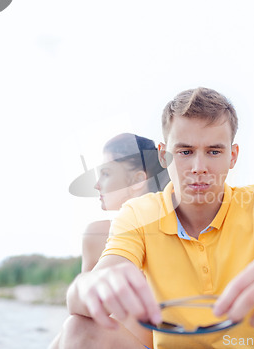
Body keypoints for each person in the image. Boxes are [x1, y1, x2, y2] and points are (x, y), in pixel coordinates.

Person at [58, 88, 254, 349]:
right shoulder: (138, 214)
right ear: (165, 156)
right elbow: (81, 296)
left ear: (232, 156)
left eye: (214, 152)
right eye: (186, 151)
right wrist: (92, 286)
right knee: (78, 329)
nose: (199, 167)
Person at [49, 133, 169, 349]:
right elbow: (80, 316)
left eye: (105, 173)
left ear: (138, 180)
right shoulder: (96, 235)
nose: (97, 185)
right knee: (76, 326)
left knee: (78, 328)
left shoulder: (178, 228)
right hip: (105, 341)